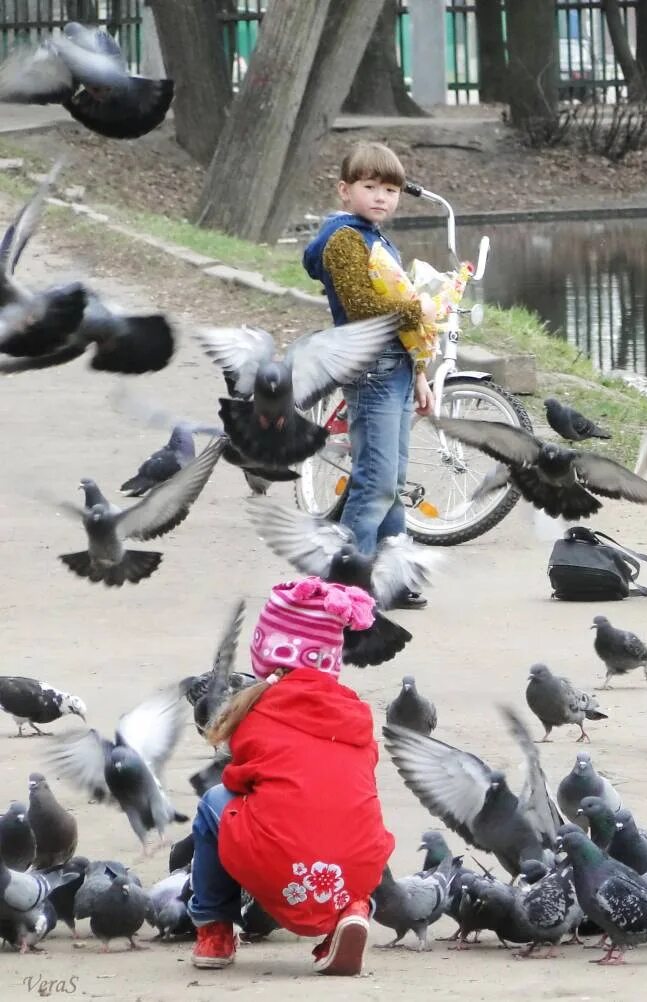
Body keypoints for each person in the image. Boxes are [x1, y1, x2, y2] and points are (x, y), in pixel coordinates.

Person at [186, 577, 396, 976]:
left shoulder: (259, 711)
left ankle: (214, 928)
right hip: (356, 869)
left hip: (284, 866)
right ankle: (351, 911)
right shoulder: (355, 713)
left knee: (214, 804)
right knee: (352, 816)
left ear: (266, 652)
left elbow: (237, 781)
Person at [302, 142, 436, 608]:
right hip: (371, 369)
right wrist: (420, 307)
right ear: (345, 190)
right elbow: (363, 309)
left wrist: (419, 371)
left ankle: (390, 577)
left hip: (395, 367)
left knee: (393, 478)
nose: (381, 197)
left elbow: (401, 320)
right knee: (374, 480)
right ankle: (346, 586)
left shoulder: (375, 237)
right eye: (370, 187)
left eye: (391, 190)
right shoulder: (344, 240)